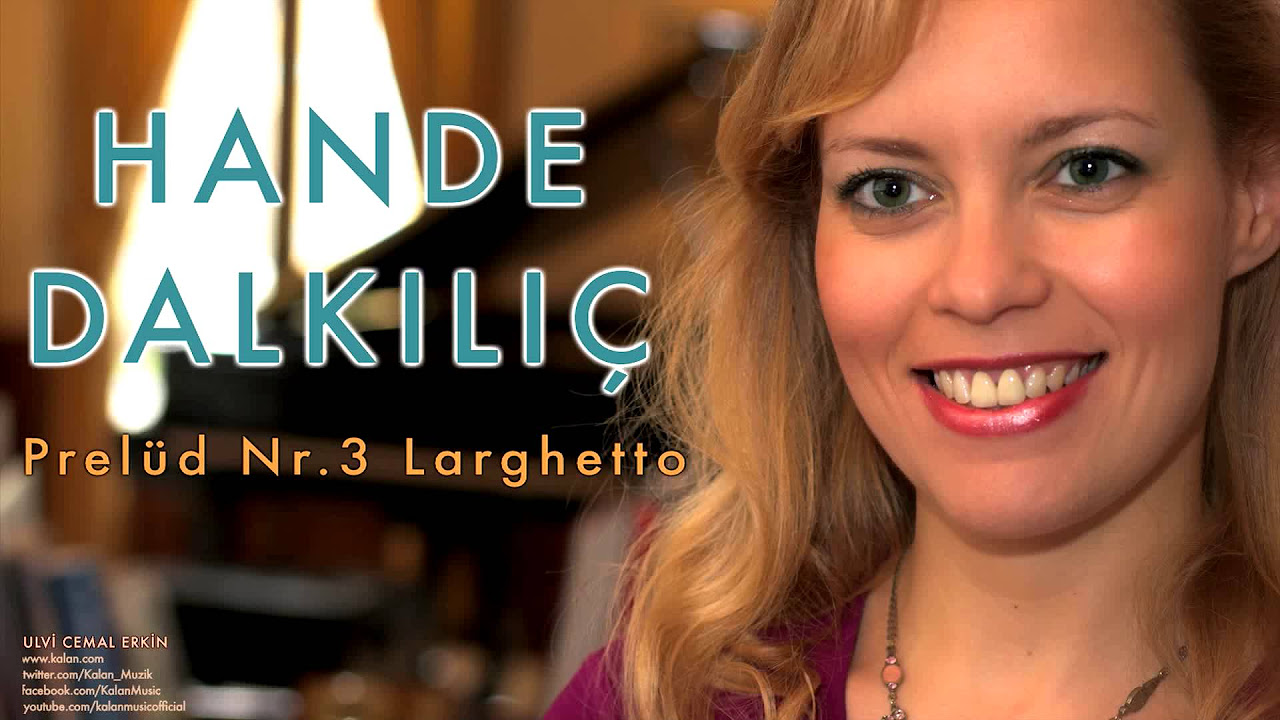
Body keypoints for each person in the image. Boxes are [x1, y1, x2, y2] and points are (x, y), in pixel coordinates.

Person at [545, 0, 1280, 718]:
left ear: (1255, 192)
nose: (981, 286)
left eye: (1086, 169)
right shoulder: (658, 702)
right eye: (890, 189)